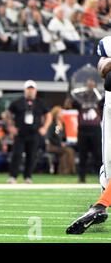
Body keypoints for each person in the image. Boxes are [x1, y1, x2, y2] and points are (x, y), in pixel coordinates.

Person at [66, 36, 111, 234]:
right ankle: (101, 204)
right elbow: (103, 71)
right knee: (108, 165)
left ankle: (100, 205)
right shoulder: (108, 42)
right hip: (110, 108)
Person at [5, 80, 52, 184]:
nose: (30, 91)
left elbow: (48, 115)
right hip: (20, 133)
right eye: (28, 89)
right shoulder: (17, 102)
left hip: (34, 133)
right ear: (25, 90)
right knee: (17, 154)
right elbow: (7, 114)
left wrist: (44, 128)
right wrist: (11, 127)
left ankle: (28, 176)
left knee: (32, 155)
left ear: (35, 90)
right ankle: (13, 176)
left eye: (32, 89)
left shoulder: (40, 103)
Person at [72, 79, 102, 183]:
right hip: (83, 129)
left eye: (92, 85)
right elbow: (71, 104)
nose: (90, 87)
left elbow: (103, 106)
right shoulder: (80, 97)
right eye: (88, 85)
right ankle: (81, 177)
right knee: (82, 154)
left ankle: (101, 177)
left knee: (98, 154)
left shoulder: (99, 97)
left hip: (95, 129)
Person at [46, 106, 76, 175]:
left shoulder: (61, 124)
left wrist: (64, 142)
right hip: (52, 146)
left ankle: (65, 171)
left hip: (59, 146)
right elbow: (50, 137)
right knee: (69, 151)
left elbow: (62, 136)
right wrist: (59, 143)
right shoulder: (53, 124)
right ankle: (70, 171)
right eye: (60, 113)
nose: (62, 114)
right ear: (56, 114)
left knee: (67, 152)